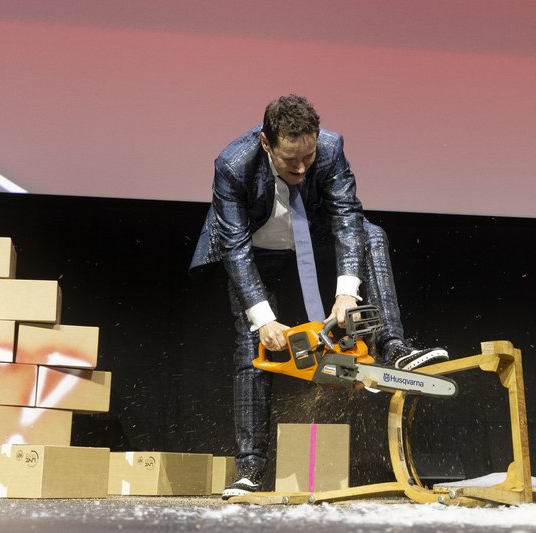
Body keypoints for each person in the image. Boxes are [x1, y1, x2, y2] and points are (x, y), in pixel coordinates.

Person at [190, 95, 448, 498]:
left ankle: (392, 346)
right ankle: (250, 469)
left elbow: (346, 216)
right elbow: (235, 248)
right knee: (252, 347)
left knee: (371, 234)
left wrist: (347, 294)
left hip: (311, 236)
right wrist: (264, 320)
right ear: (266, 142)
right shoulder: (233, 164)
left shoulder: (329, 147)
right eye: (290, 160)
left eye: (307, 158)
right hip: (254, 249)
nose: (301, 168)